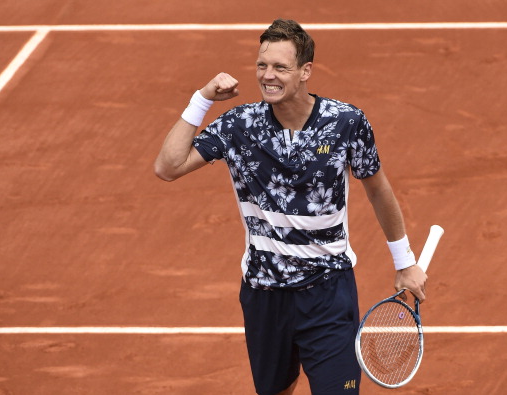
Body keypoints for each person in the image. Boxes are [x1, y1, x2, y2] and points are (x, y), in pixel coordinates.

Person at [154, 18, 427, 395]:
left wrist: (404, 260)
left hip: (328, 293)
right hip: (264, 295)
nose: (268, 75)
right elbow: (167, 167)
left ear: (305, 72)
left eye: (280, 67)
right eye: (262, 65)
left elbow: (378, 190)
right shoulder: (239, 125)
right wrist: (202, 98)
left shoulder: (346, 123)